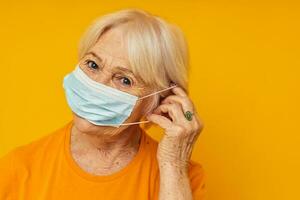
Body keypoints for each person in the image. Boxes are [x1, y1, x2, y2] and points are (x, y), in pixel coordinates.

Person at [0, 8, 206, 200]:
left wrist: (173, 165)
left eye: (125, 80)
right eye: (93, 64)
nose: (96, 85)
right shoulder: (19, 168)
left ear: (160, 101)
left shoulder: (181, 177)